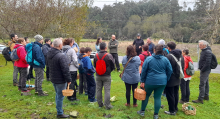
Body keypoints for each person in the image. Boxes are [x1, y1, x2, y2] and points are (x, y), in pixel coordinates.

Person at [137, 44, 173, 119]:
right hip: (162, 82)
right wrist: (166, 78)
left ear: (154, 50)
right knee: (157, 97)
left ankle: (142, 111)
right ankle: (156, 115)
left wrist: (142, 81)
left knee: (146, 96)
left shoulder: (149, 59)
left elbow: (143, 71)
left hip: (150, 81)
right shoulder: (165, 59)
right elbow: (170, 71)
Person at [47, 38, 71, 118]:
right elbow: (65, 69)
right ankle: (60, 113)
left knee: (58, 94)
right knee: (60, 96)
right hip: (60, 79)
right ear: (60, 45)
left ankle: (59, 109)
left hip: (53, 77)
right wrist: (68, 79)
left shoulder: (49, 53)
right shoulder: (61, 56)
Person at [164, 42, 184, 115]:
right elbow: (182, 66)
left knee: (170, 95)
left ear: (168, 48)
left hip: (170, 79)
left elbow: (166, 68)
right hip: (178, 78)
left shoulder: (169, 56)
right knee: (176, 93)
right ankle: (175, 108)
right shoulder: (181, 56)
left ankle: (172, 111)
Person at [94, 42, 115, 110]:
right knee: (107, 90)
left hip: (98, 75)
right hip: (106, 75)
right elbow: (113, 65)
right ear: (106, 47)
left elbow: (95, 65)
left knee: (98, 90)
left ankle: (100, 104)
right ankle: (107, 105)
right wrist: (109, 71)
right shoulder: (109, 55)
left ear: (99, 48)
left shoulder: (96, 55)